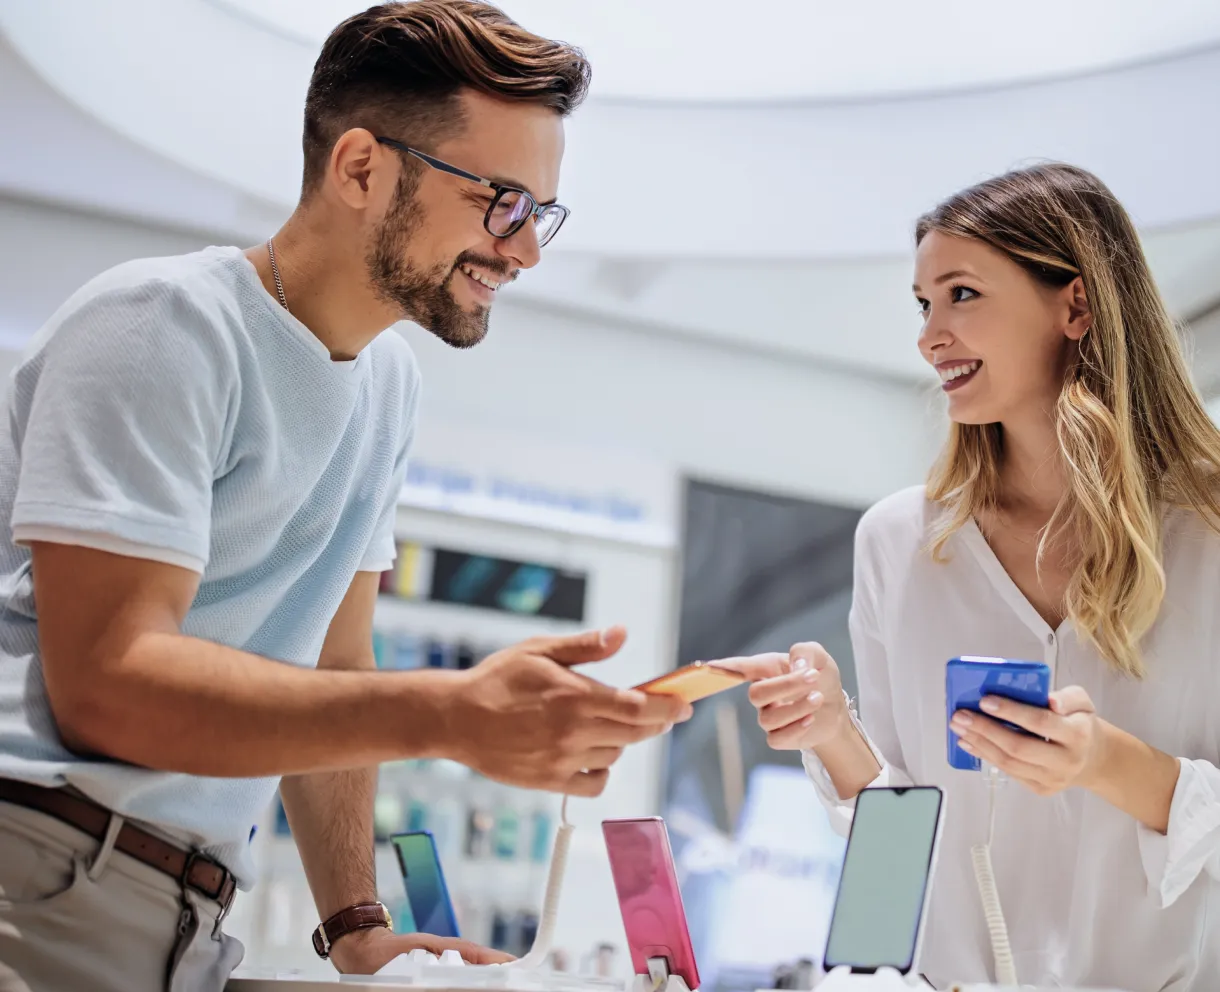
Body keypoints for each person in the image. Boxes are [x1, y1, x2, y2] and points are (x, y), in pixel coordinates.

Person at [0, 4, 694, 990]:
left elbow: (336, 660)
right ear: (361, 168)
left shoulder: (385, 385)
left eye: (539, 211)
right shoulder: (162, 324)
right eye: (501, 199)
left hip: (185, 909)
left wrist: (358, 926)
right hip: (45, 871)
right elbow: (109, 683)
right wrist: (449, 713)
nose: (525, 248)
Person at [734, 164, 1220, 989]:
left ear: (1076, 305)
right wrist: (831, 733)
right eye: (924, 304)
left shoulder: (1206, 530)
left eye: (961, 294)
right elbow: (890, 865)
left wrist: (1101, 761)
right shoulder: (898, 540)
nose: (929, 336)